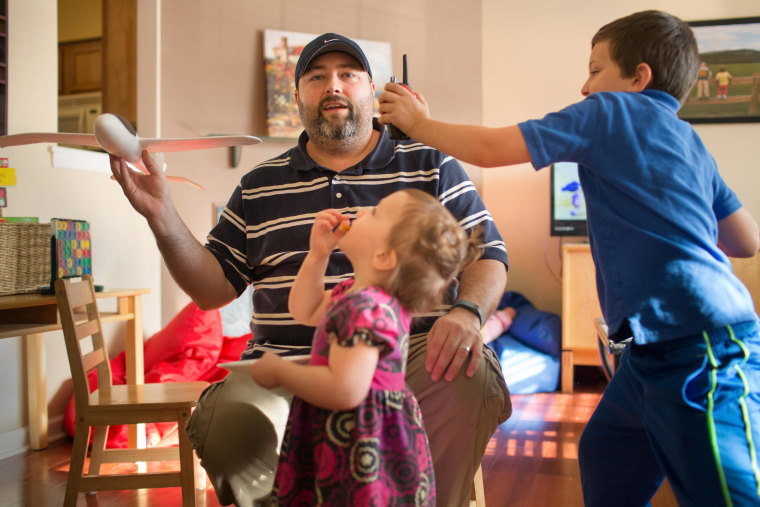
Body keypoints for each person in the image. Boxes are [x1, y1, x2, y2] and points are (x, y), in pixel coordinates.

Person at [109, 32, 511, 507]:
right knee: (226, 422)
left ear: (373, 90)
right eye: (316, 78)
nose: (333, 86)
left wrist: (467, 313)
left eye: (348, 75)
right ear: (298, 97)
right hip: (285, 365)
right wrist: (162, 216)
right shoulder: (259, 186)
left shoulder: (432, 165)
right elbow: (213, 291)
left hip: (408, 360)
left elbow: (489, 253)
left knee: (466, 373)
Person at [378, 10, 760, 507]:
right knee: (606, 452)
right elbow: (745, 240)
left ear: (638, 77)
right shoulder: (689, 140)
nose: (584, 86)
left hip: (698, 344)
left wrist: (420, 124)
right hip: (649, 352)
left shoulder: (610, 112)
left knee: (724, 492)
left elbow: (494, 147)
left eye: (596, 69)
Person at [248, 189, 481, 504]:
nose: (360, 211)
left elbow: (345, 389)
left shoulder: (365, 308)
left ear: (383, 257)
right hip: (359, 432)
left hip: (354, 443)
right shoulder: (363, 297)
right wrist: (318, 255)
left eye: (376, 213)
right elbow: (306, 309)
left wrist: (281, 371)